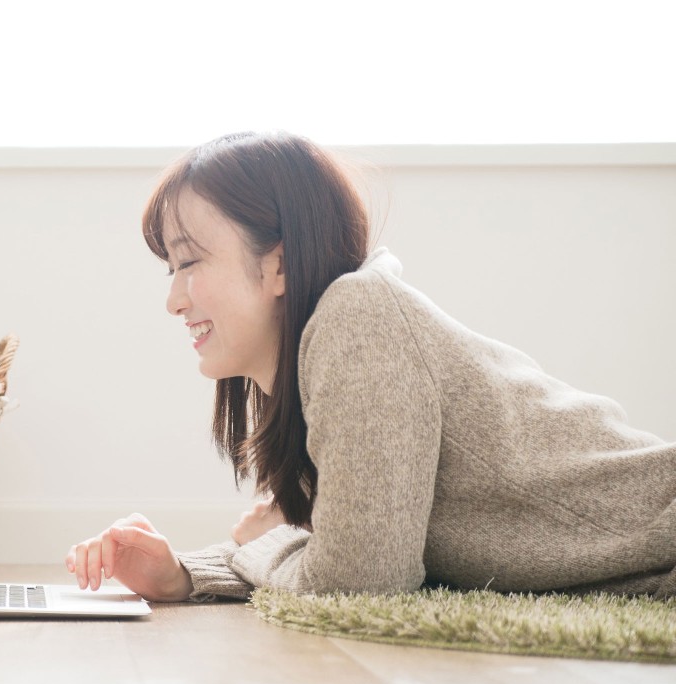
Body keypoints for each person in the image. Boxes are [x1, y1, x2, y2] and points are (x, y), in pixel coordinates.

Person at [65, 131, 676, 601]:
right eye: (171, 270)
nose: (174, 299)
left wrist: (262, 546)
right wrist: (182, 575)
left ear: (277, 264)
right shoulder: (318, 365)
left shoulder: (356, 315)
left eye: (189, 262)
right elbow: (341, 549)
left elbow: (357, 582)